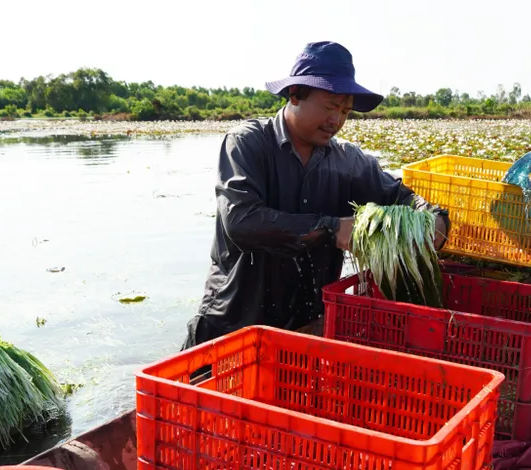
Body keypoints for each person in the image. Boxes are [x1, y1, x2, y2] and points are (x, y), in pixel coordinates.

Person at [182, 41, 451, 350]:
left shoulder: (348, 161)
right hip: (232, 323)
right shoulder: (248, 143)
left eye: (345, 111)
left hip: (305, 329)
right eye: (329, 107)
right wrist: (332, 228)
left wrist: (435, 223)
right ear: (295, 94)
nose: (336, 120)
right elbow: (242, 222)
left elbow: (403, 198)